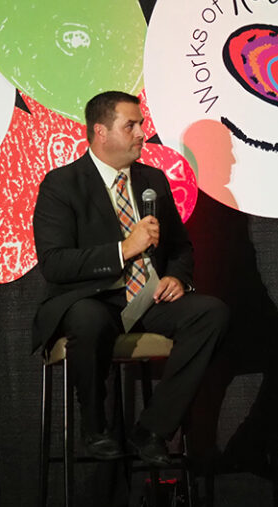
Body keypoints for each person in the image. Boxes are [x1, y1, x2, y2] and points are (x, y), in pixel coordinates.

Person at [32, 91, 228, 466]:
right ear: (101, 132)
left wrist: (176, 277)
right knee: (87, 320)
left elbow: (180, 246)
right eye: (131, 125)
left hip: (148, 297)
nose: (142, 133)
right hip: (94, 298)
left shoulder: (152, 179)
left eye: (141, 124)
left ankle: (152, 429)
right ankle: (95, 427)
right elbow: (55, 264)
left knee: (211, 312)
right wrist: (125, 248)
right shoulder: (62, 184)